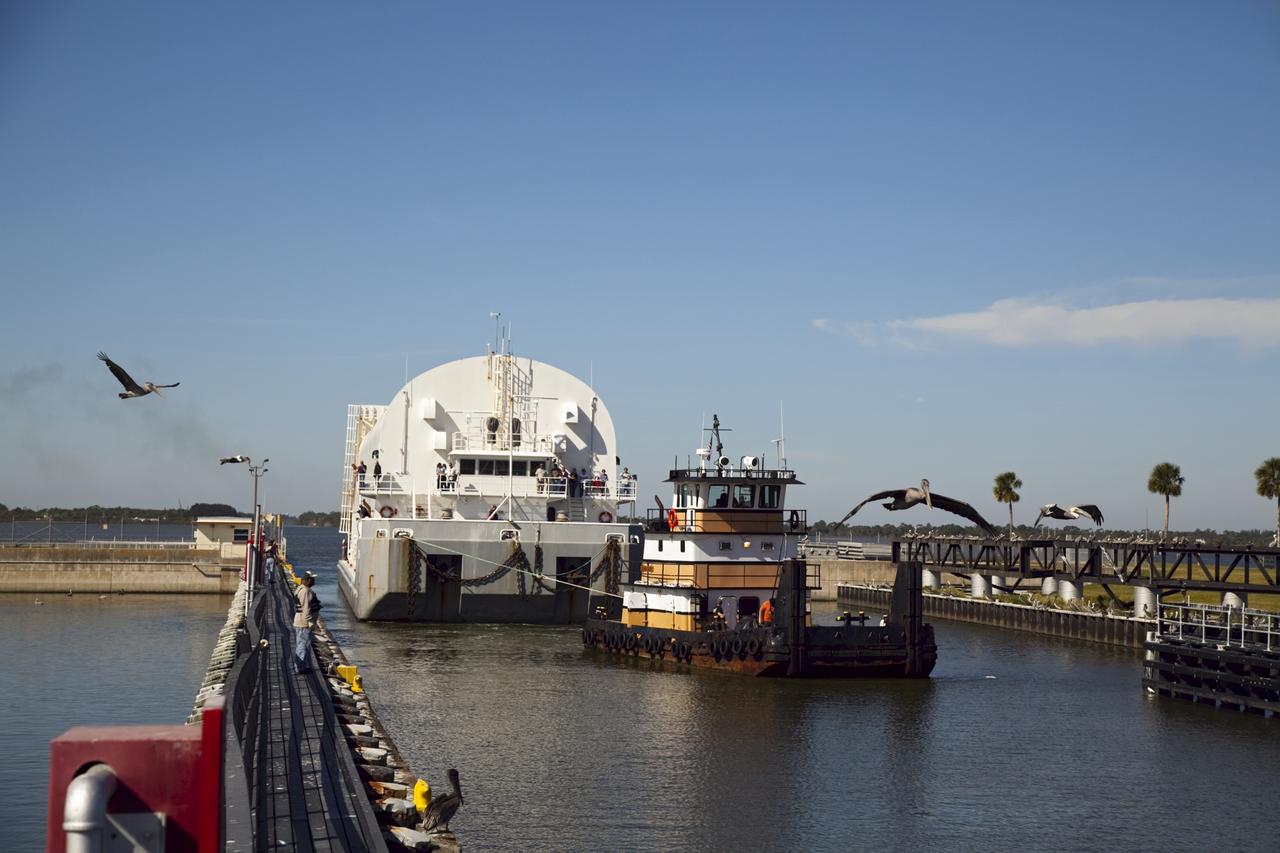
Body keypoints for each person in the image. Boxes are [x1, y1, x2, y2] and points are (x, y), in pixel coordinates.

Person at [294, 572, 321, 674]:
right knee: (303, 644)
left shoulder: (301, 589)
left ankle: (302, 665)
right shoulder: (305, 592)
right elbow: (306, 608)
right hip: (303, 623)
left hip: (301, 622)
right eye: (312, 579)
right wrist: (310, 622)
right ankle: (300, 667)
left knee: (303, 644)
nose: (314, 581)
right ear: (307, 580)